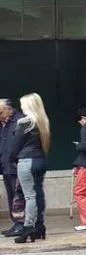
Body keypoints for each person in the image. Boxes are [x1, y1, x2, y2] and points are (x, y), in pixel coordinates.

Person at [8, 93, 50, 243]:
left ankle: (28, 227)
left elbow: (14, 147)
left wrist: (12, 159)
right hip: (40, 160)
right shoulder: (42, 122)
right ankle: (39, 226)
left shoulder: (25, 123)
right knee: (38, 194)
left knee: (29, 196)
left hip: (27, 161)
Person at [0, 99, 25, 237]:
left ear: (9, 109)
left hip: (16, 166)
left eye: (0, 112)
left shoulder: (19, 121)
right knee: (11, 196)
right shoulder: (4, 123)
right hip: (6, 165)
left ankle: (21, 223)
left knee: (18, 197)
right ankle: (16, 222)